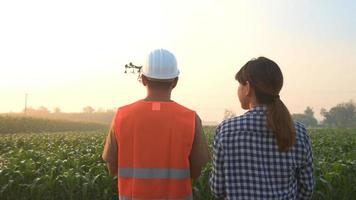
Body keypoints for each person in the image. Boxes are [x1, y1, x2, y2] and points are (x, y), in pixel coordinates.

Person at [102, 48, 210, 200]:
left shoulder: (122, 116)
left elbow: (112, 167)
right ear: (175, 81)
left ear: (144, 79)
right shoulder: (190, 118)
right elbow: (196, 170)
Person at [209, 57, 315, 199]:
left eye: (240, 85)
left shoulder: (226, 131)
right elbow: (307, 188)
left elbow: (218, 189)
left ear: (247, 88)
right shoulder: (298, 132)